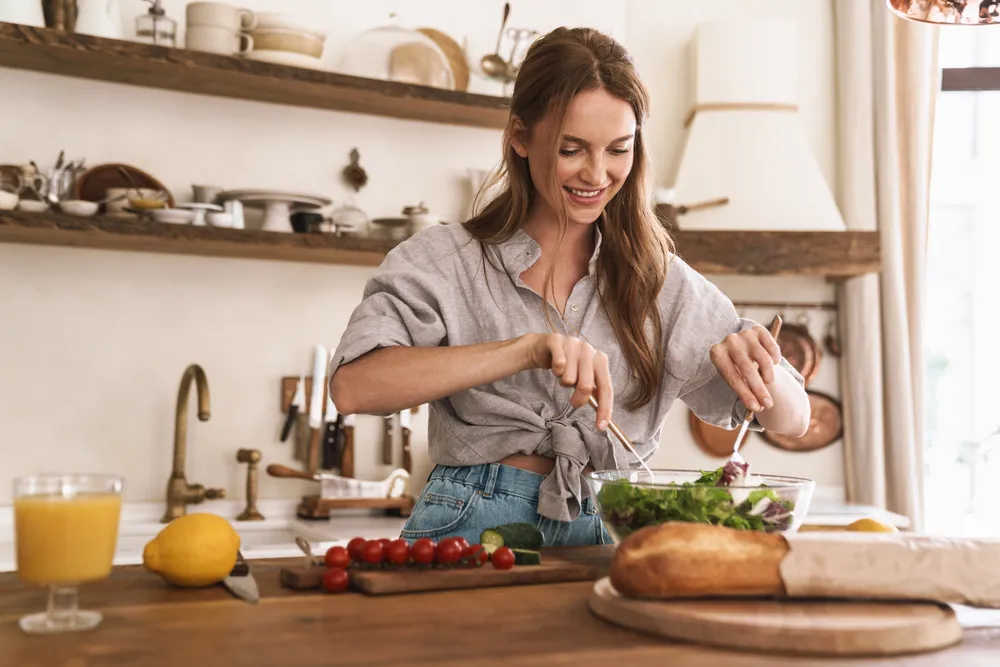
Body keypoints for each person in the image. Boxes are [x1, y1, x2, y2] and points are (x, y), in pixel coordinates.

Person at [329, 27, 811, 547]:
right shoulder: (444, 260)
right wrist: (525, 350)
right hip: (469, 525)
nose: (596, 174)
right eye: (572, 149)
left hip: (613, 527)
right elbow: (354, 387)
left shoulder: (662, 282)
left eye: (617, 150)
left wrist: (763, 370)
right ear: (520, 136)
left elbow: (793, 420)